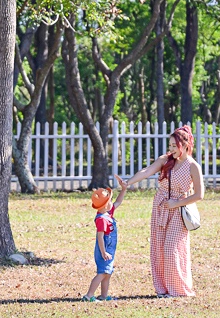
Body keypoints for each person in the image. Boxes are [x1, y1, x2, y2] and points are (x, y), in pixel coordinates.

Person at [117, 125, 204, 297]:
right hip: (160, 208)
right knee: (158, 249)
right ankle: (163, 290)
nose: (171, 149)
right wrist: (129, 182)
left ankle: (179, 290)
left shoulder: (193, 166)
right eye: (170, 146)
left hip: (178, 210)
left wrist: (177, 203)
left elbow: (199, 195)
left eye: (175, 146)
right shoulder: (165, 160)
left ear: (186, 145)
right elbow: (147, 171)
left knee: (172, 249)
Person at [82, 179, 128, 302]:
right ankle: (89, 295)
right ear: (104, 205)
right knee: (102, 273)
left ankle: (103, 296)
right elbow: (100, 237)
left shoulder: (108, 213)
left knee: (107, 273)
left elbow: (118, 201)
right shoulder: (102, 219)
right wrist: (103, 252)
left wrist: (123, 189)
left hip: (109, 250)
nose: (111, 203)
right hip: (104, 250)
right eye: (109, 201)